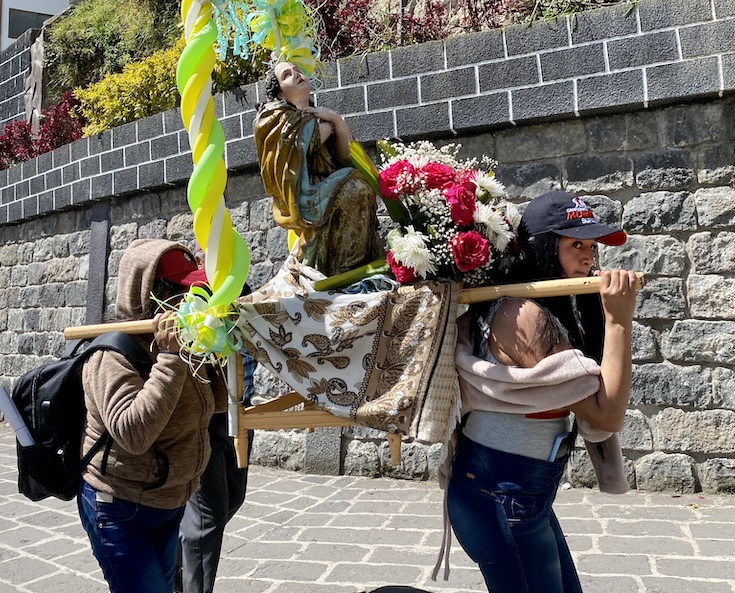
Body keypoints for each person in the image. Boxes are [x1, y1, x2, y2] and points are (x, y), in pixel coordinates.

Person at [445, 191, 637, 593]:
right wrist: (619, 322)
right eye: (575, 246)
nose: (589, 257)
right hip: (499, 494)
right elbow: (606, 415)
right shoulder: (523, 315)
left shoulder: (540, 306)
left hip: (520, 494)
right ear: (543, 249)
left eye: (591, 246)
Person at [77, 238, 229, 593]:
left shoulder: (184, 342)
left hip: (169, 501)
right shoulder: (110, 355)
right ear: (151, 297)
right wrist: (172, 359)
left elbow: (216, 404)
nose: (192, 302)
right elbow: (134, 433)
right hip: (120, 508)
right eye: (182, 293)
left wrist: (218, 354)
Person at [253, 60, 384, 277]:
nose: (296, 74)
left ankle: (354, 268)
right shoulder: (273, 119)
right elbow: (301, 148)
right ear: (280, 94)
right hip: (307, 192)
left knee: (358, 185)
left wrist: (336, 120)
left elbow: (346, 155)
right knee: (354, 188)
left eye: (296, 70)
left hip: (334, 183)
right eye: (286, 75)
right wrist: (324, 126)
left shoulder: (319, 115)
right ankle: (342, 272)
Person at [176, 249, 257, 593]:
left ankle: (175, 565)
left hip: (240, 409)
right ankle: (186, 584)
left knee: (232, 498)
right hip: (203, 415)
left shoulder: (243, 289)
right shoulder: (191, 300)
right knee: (208, 516)